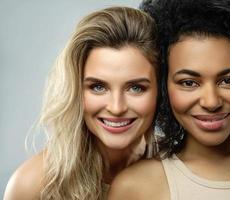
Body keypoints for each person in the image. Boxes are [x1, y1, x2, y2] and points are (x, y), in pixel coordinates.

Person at [108, 0, 230, 199]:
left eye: (228, 80)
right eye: (189, 83)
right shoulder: (135, 188)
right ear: (163, 86)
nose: (211, 102)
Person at [4, 6, 159, 200]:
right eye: (98, 87)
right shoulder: (31, 186)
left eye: (136, 88)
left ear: (159, 90)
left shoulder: (177, 172)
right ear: (75, 89)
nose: (116, 107)